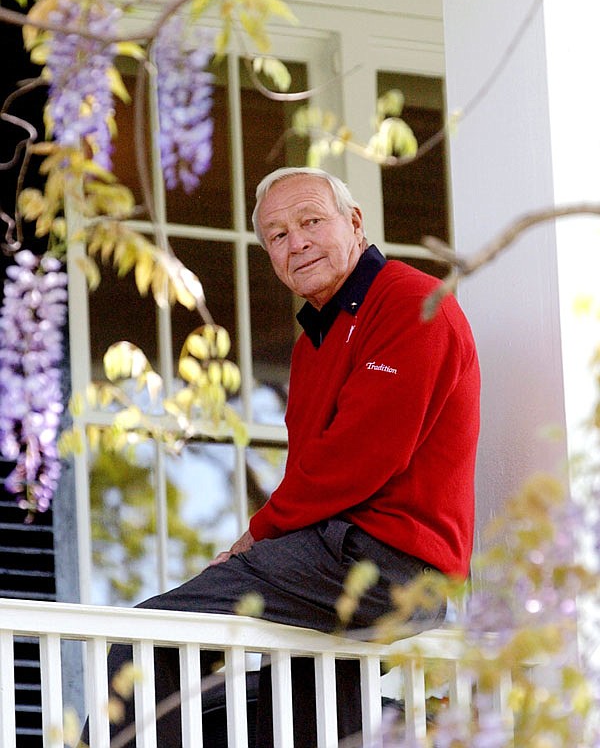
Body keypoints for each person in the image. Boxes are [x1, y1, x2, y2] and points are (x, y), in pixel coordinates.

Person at [98, 167, 480, 747]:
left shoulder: (410, 303)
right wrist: (272, 539)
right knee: (302, 718)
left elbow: (359, 458)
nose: (295, 242)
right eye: (276, 236)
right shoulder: (314, 346)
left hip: (389, 562)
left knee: (151, 640)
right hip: (339, 564)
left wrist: (257, 537)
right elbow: (315, 472)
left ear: (354, 223)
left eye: (310, 222)